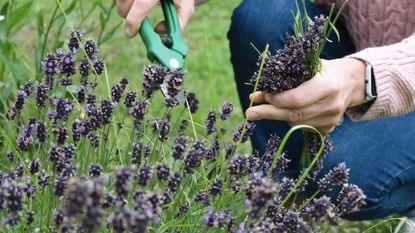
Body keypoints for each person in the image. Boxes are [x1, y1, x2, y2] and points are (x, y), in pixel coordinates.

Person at [115, 0, 415, 220]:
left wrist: (363, 78)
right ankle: (283, 202)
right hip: (361, 52)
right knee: (264, 17)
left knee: (346, 173)